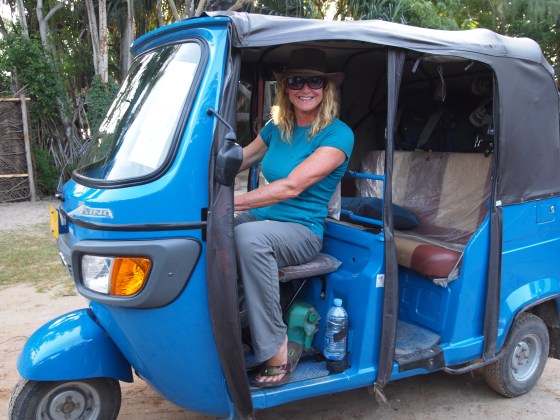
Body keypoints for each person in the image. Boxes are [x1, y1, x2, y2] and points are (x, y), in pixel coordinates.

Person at [234, 48, 354, 388]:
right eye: (296, 81)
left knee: (247, 237)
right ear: (285, 88)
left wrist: (231, 202)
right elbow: (239, 159)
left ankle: (275, 348)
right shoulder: (277, 127)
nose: (305, 89)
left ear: (326, 88)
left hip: (302, 230)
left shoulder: (337, 134)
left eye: (314, 81)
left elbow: (291, 187)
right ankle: (226, 323)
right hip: (263, 218)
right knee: (207, 229)